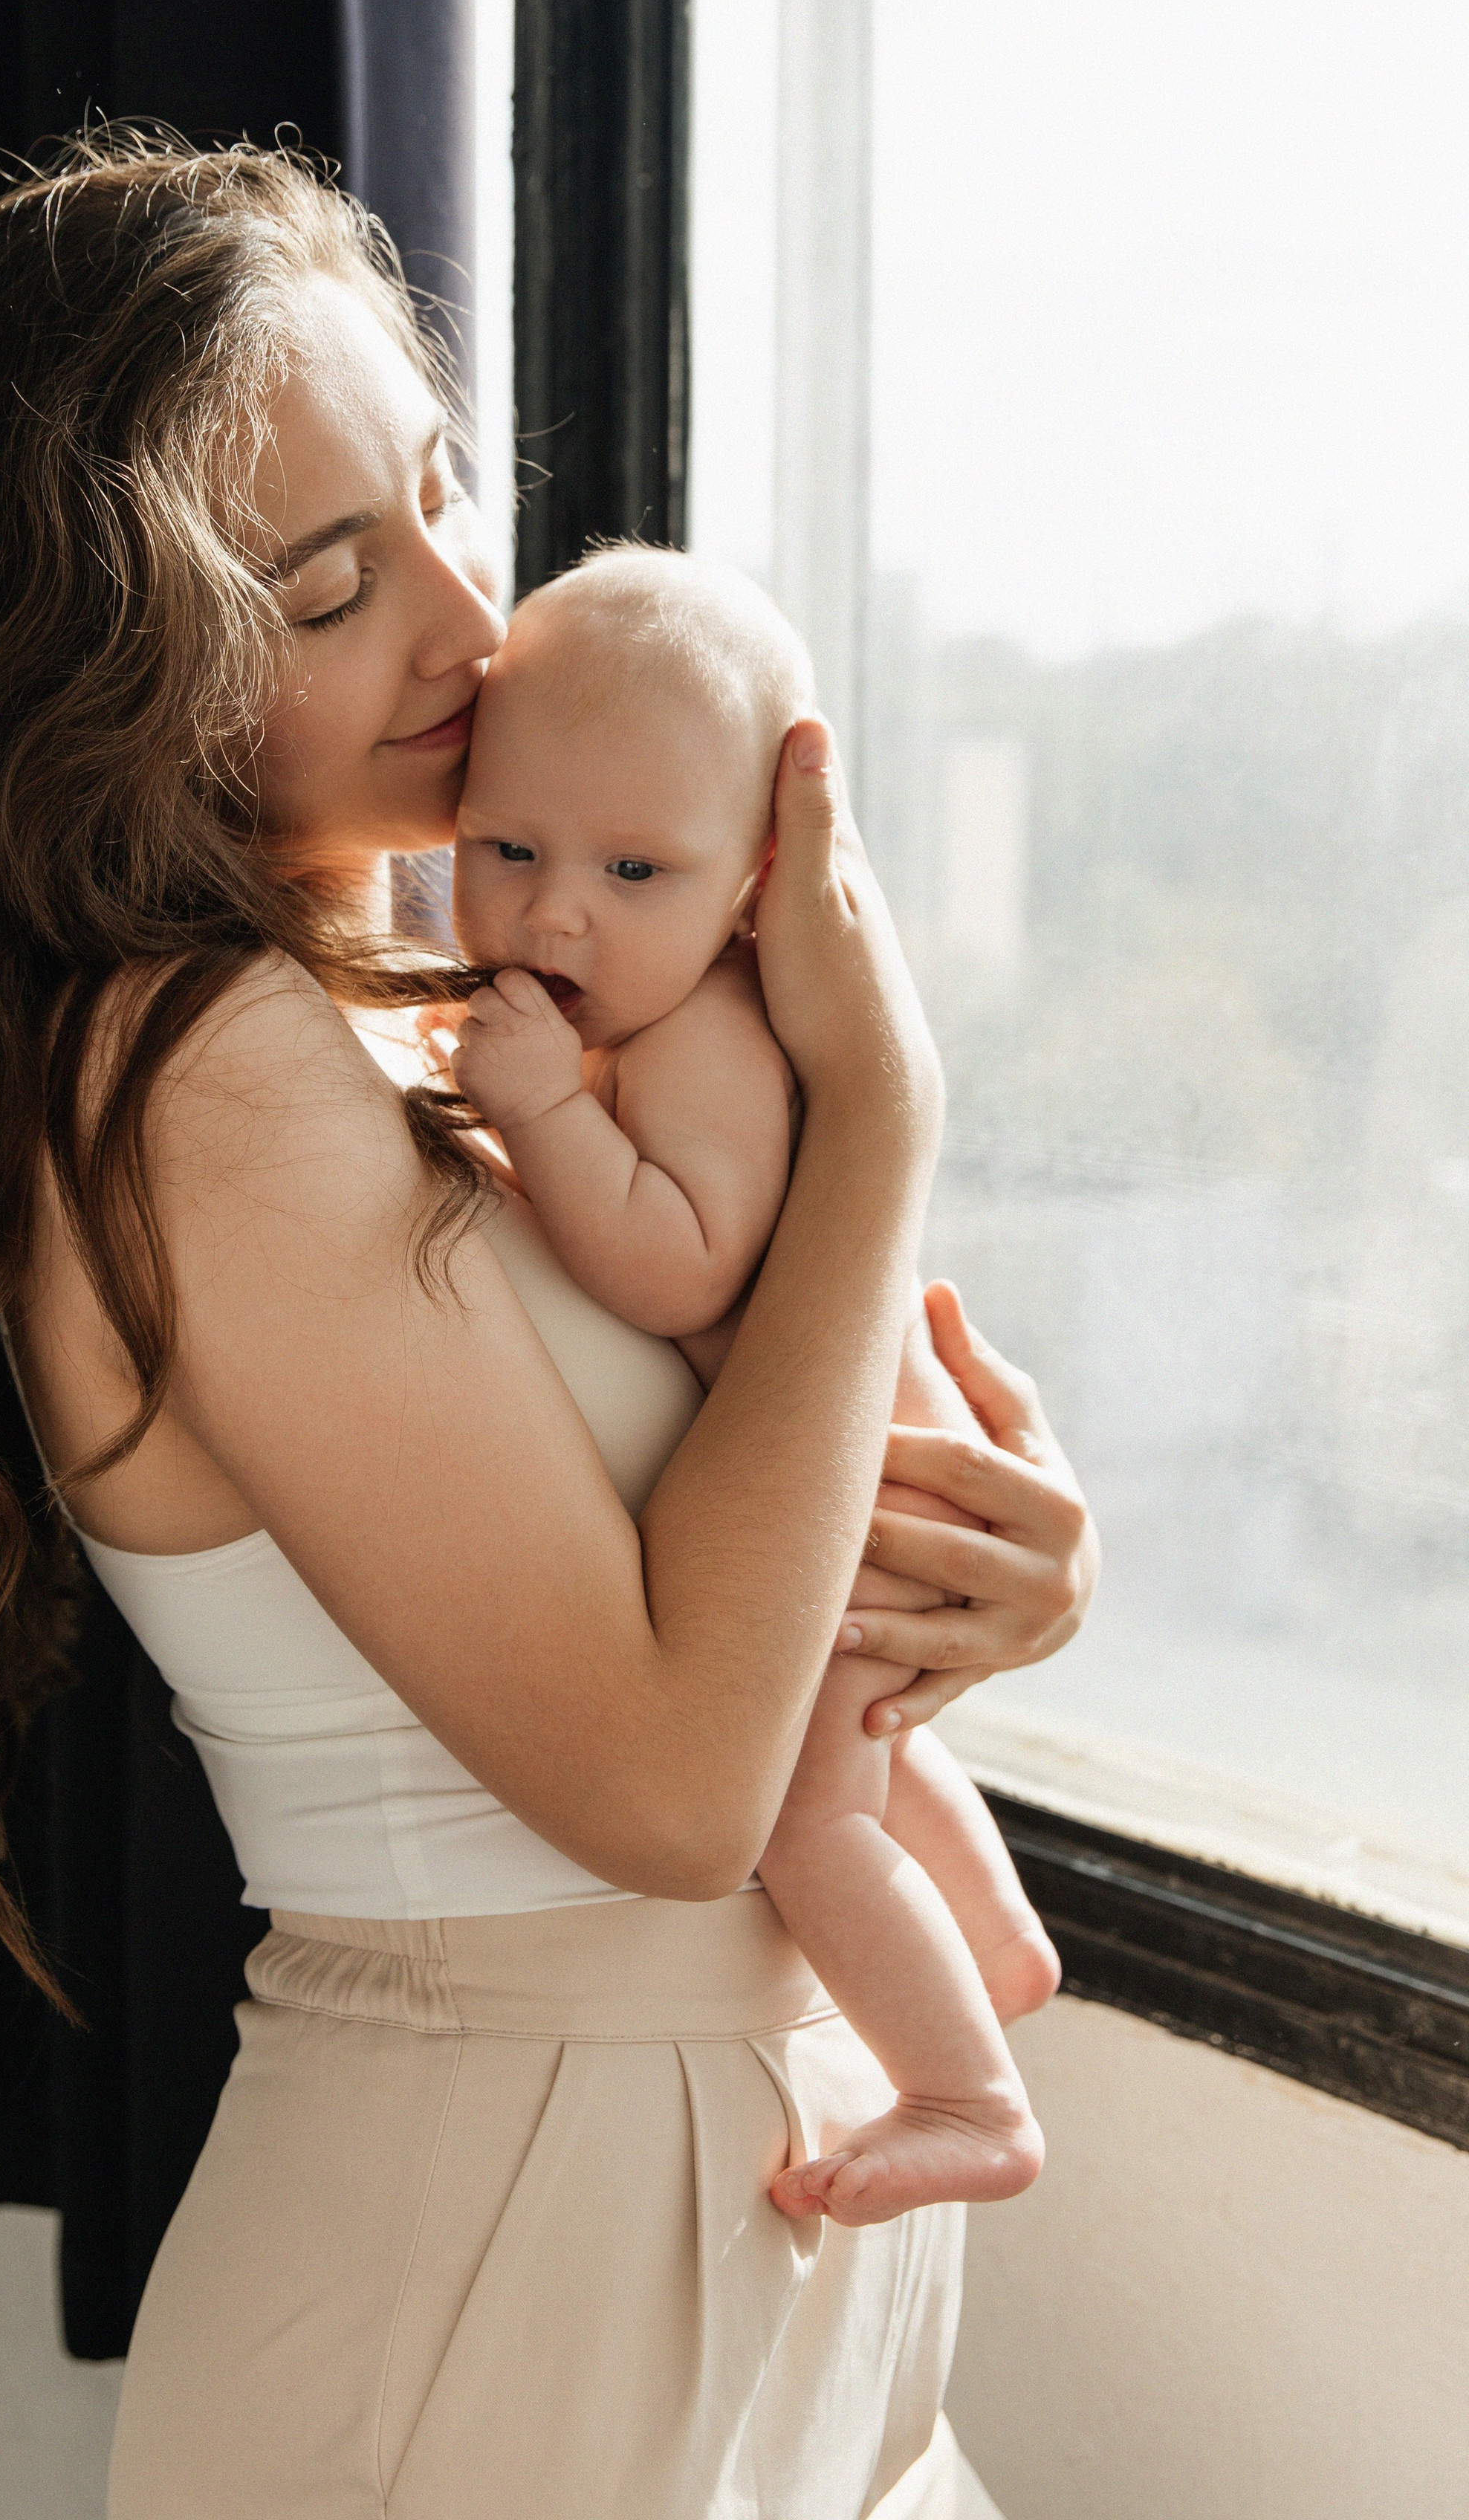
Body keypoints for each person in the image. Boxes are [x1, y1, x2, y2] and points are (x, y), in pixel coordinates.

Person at [0, 132, 1099, 2519]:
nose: (476, 623)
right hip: (502, 2271)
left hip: (707, 2235)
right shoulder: (193, 1068)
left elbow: (714, 1537)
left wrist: (990, 1571)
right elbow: (675, 1790)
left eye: (452, 490)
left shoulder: (422, 1004)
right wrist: (884, 1119)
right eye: (338, 583)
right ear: (114, 665)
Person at [447, 545, 1061, 2232]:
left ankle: (963, 2094)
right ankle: (993, 1942)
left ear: (754, 888)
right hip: (867, 1484)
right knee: (860, 1748)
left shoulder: (700, 1038)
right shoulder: (639, 1005)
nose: (551, 910)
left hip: (852, 1509)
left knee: (805, 1823)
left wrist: (543, 1121)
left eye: (632, 867)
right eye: (506, 850)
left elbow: (682, 1267)